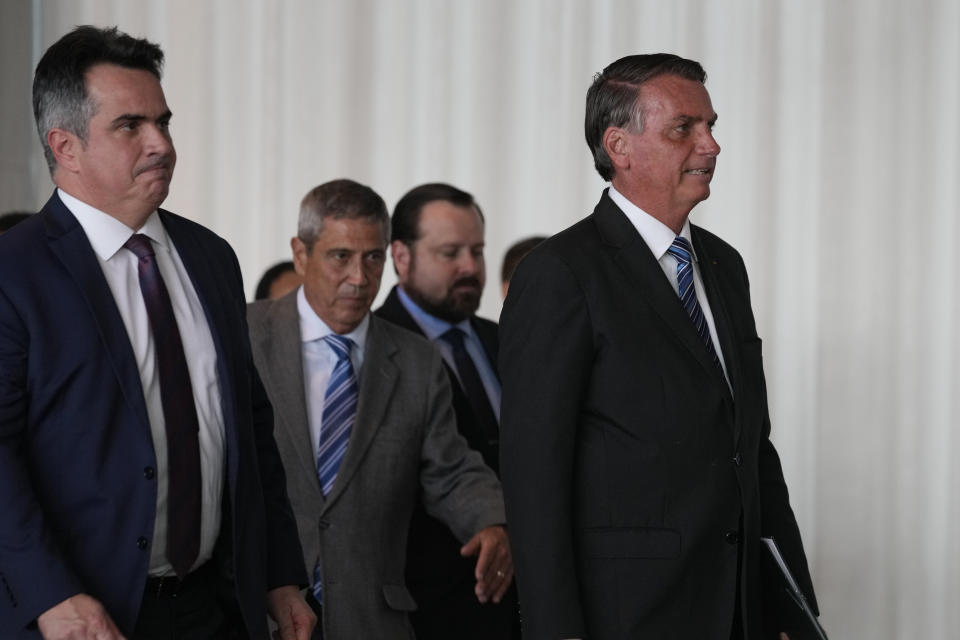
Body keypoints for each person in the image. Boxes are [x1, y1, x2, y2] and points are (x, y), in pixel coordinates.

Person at [0, 26, 314, 639]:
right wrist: (51, 594)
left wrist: (279, 574)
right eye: (131, 126)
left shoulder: (210, 256)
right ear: (65, 146)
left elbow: (250, 428)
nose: (162, 144)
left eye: (164, 122)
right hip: (80, 616)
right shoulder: (14, 272)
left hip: (214, 608)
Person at [498, 53, 820, 640]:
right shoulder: (561, 273)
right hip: (626, 615)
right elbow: (533, 479)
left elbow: (752, 446)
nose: (712, 145)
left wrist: (791, 603)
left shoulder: (724, 265)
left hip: (738, 610)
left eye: (711, 125)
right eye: (685, 129)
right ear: (619, 146)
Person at [247, 179, 512, 640]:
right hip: (261, 612)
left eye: (373, 258)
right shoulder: (244, 336)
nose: (359, 277)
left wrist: (490, 519)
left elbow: (449, 469)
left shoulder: (415, 359)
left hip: (374, 618)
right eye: (341, 257)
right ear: (300, 253)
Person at [375, 182, 519, 639]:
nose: (469, 267)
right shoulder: (372, 350)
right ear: (401, 256)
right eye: (449, 252)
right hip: (426, 611)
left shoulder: (506, 341)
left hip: (520, 605)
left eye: (477, 251)